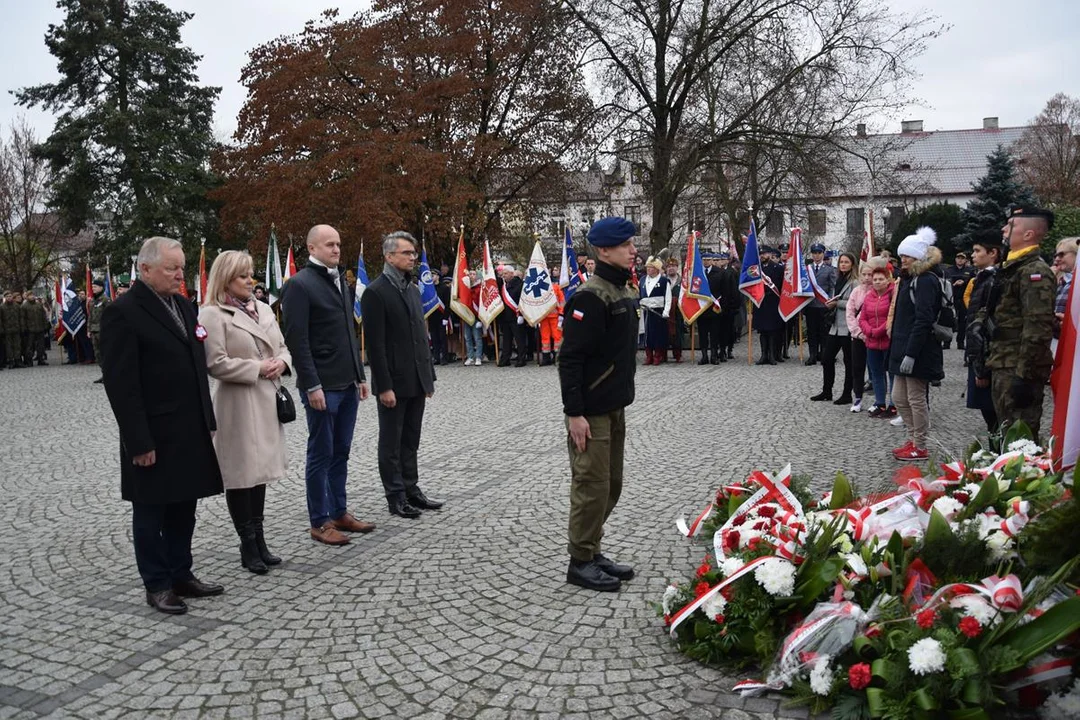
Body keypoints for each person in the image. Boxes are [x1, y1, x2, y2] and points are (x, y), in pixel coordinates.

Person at [99, 237, 225, 615]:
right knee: (151, 510)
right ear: (145, 269)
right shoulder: (123, 312)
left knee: (184, 507)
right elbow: (122, 385)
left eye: (182, 267)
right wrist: (139, 441)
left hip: (189, 428)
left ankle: (180, 572)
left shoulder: (184, 306)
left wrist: (207, 419)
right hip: (153, 433)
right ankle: (156, 583)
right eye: (172, 268)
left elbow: (195, 365)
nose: (179, 274)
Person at [281, 224, 376, 546]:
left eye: (338, 244)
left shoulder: (341, 282)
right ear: (312, 248)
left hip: (347, 382)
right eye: (329, 245)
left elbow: (348, 333)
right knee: (320, 453)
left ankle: (339, 511)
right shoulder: (299, 285)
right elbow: (298, 339)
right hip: (322, 385)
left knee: (342, 451)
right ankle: (319, 521)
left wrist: (360, 375)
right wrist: (311, 385)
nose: (336, 249)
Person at [559, 216, 639, 592]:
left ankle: (592, 549)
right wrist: (574, 413)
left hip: (614, 404)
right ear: (604, 250)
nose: (633, 250)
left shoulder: (621, 290)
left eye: (632, 244)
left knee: (612, 485)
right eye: (626, 245)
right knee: (591, 485)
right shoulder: (591, 296)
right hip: (590, 411)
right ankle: (580, 561)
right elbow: (570, 358)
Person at [200, 251, 292, 575]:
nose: (250, 280)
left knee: (261, 472)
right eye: (242, 276)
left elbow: (282, 346)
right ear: (226, 279)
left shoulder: (264, 309)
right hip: (237, 402)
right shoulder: (213, 314)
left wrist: (282, 362)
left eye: (251, 274)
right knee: (241, 474)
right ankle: (247, 543)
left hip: (266, 397)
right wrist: (257, 366)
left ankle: (260, 538)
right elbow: (215, 362)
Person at [360, 231, 444, 519]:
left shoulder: (412, 289)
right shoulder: (375, 292)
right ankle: (394, 494)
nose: (412, 257)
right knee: (391, 442)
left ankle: (411, 488)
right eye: (407, 253)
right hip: (393, 382)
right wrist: (383, 386)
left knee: (411, 438)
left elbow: (421, 336)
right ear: (389, 256)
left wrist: (428, 377)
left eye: (413, 253)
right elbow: (376, 345)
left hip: (416, 379)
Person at [984, 206, 1056, 437]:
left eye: (1011, 225)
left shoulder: (1035, 272)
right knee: (1006, 432)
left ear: (1028, 235)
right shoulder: (1011, 267)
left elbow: (1038, 327)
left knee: (1021, 438)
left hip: (1018, 366)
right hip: (1003, 360)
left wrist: (1025, 376)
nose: (1004, 229)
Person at [889, 227, 945, 461]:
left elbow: (923, 320)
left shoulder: (925, 281)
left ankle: (920, 445)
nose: (903, 260)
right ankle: (912, 438)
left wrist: (911, 354)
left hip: (918, 349)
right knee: (899, 398)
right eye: (901, 256)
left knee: (915, 398)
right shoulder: (908, 279)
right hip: (902, 347)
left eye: (908, 256)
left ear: (919, 257)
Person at [963, 230, 1004, 432]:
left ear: (993, 253)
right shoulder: (982, 278)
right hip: (980, 356)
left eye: (977, 251)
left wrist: (981, 368)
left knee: (994, 416)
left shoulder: (993, 280)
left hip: (987, 358)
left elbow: (985, 326)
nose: (973, 255)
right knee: (989, 417)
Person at [811, 252, 856, 401]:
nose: (843, 264)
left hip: (848, 327)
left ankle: (847, 393)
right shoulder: (839, 279)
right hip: (835, 325)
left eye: (846, 262)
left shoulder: (855, 282)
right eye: (841, 262)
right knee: (826, 358)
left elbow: (856, 304)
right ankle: (827, 391)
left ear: (852, 264)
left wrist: (837, 303)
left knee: (849, 362)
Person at [845, 260, 881, 412]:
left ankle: (879, 400)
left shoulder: (879, 292)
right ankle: (858, 397)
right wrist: (857, 332)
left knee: (876, 369)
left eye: (870, 274)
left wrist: (875, 332)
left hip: (875, 335)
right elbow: (850, 313)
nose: (867, 278)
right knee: (857, 367)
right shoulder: (856, 291)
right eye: (864, 274)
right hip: (858, 336)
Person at [860, 266, 895, 417]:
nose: (877, 282)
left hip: (887, 340)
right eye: (875, 279)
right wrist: (868, 331)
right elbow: (862, 318)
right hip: (872, 341)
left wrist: (878, 331)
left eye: (881, 279)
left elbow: (891, 317)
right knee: (876, 374)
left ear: (888, 280)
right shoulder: (869, 296)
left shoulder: (893, 295)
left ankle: (893, 405)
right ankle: (880, 403)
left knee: (892, 374)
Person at [804, 244, 837, 365]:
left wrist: (830, 301)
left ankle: (824, 355)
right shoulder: (807, 269)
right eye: (814, 253)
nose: (816, 255)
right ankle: (812, 355)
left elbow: (833, 286)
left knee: (824, 332)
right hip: (810, 305)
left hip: (824, 306)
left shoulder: (829, 269)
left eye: (819, 253)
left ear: (823, 254)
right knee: (811, 332)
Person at [754, 247, 785, 364]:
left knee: (772, 331)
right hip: (760, 302)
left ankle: (772, 355)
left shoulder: (778, 268)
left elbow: (782, 287)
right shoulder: (756, 269)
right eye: (760, 254)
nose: (762, 255)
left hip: (773, 301)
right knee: (762, 331)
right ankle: (763, 355)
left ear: (770, 254)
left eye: (764, 253)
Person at [639, 256, 671, 365]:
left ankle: (657, 356)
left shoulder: (663, 281)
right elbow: (639, 295)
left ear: (657, 269)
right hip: (645, 311)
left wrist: (666, 311)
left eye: (651, 267)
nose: (648, 269)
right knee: (646, 334)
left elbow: (668, 298)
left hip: (658, 311)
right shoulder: (642, 280)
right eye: (647, 267)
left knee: (657, 334)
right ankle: (649, 356)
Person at [496, 267, 527, 367]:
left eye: (505, 273)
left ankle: (521, 358)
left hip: (516, 316)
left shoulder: (519, 284)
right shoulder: (504, 286)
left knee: (519, 339)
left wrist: (521, 315)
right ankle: (505, 358)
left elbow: (523, 301)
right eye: (503, 274)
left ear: (512, 274)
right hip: (505, 317)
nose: (503, 275)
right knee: (506, 340)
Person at [944, 252, 974, 350]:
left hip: (963, 298)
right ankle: (946, 342)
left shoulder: (970, 270)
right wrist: (954, 283)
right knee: (949, 320)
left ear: (965, 260)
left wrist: (964, 282)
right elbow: (946, 283)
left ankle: (960, 342)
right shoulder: (949, 270)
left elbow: (973, 282)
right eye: (958, 258)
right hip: (951, 298)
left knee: (962, 321)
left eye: (962, 258)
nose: (960, 260)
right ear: (955, 259)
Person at [1053, 238, 1077, 340]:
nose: (1057, 259)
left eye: (1061, 255)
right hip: (1055, 339)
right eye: (1056, 255)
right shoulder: (1060, 280)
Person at [664, 258, 685, 362]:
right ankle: (663, 354)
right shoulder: (663, 281)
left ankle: (678, 354)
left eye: (673, 266)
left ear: (677, 268)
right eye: (668, 266)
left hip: (678, 311)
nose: (671, 268)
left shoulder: (683, 282)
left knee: (678, 332)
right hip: (666, 310)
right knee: (664, 332)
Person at [88, 279, 109, 382]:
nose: (93, 288)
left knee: (105, 353)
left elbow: (110, 315)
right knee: (97, 355)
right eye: (92, 287)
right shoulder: (92, 301)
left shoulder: (105, 300)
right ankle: (104, 373)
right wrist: (88, 329)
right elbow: (90, 316)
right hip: (94, 330)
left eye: (95, 287)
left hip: (103, 330)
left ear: (101, 287)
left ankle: (109, 374)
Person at [463, 270, 485, 366]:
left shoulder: (480, 288)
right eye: (470, 274)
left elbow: (482, 304)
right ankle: (470, 356)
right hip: (467, 315)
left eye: (473, 274)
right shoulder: (466, 288)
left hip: (476, 316)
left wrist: (481, 319)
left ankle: (478, 357)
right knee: (468, 338)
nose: (471, 276)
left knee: (477, 338)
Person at [2, 291, 24, 368]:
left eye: (10, 296)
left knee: (17, 345)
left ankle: (18, 360)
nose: (9, 298)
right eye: (7, 296)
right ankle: (11, 361)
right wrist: (2, 330)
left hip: (16, 329)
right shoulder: (2, 307)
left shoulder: (16, 306)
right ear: (5, 297)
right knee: (9, 346)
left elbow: (21, 317)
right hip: (7, 330)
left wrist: (22, 327)